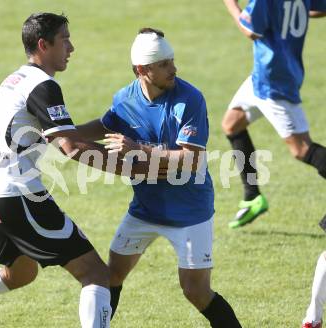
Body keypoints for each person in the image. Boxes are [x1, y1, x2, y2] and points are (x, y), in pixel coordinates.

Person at [0, 12, 154, 328]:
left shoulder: (15, 79)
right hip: (17, 195)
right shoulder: (43, 86)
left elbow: (61, 134)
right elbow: (69, 147)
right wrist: (134, 169)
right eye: (65, 39)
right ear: (44, 44)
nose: (72, 47)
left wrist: (109, 131)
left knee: (19, 273)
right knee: (95, 273)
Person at [76, 28, 242, 327]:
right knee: (109, 276)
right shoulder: (124, 99)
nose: (174, 69)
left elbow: (192, 161)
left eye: (172, 61)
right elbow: (104, 125)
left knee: (196, 292)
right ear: (142, 70)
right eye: (164, 64)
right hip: (145, 209)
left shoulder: (190, 99)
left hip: (190, 212)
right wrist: (60, 133)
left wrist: (136, 148)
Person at [222, 0, 326, 228]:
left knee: (301, 149)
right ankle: (253, 197)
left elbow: (251, 30)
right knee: (232, 124)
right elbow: (318, 8)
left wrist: (230, 4)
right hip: (267, 75)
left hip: (273, 81)